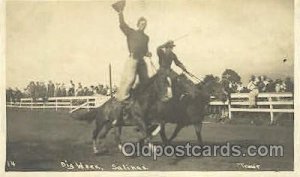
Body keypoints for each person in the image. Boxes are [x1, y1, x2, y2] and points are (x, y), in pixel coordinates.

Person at [114, 4, 152, 102]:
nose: (143, 26)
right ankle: (122, 100)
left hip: (141, 60)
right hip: (133, 59)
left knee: (146, 80)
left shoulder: (146, 38)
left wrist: (148, 53)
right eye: (142, 24)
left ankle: (141, 99)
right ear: (138, 24)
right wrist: (120, 13)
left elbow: (145, 50)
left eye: (145, 24)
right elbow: (122, 25)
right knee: (130, 79)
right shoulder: (131, 33)